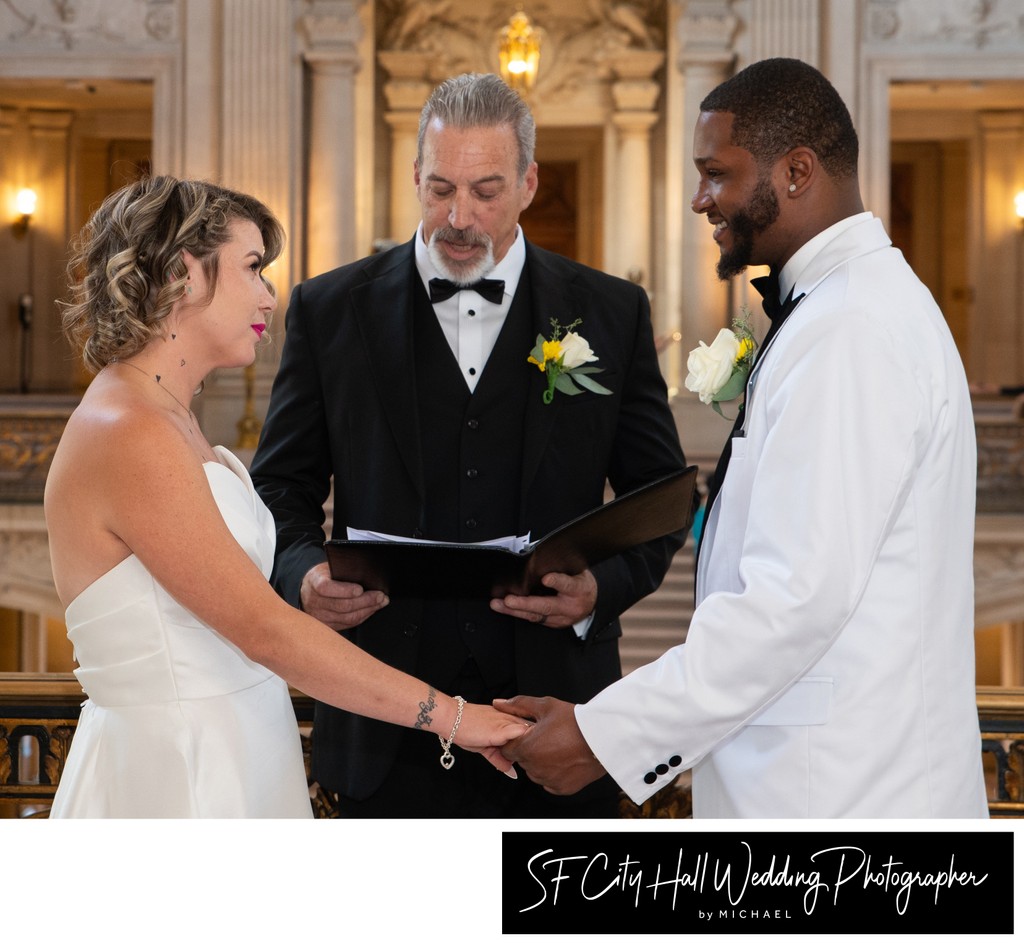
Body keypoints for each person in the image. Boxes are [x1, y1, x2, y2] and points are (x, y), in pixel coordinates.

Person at [497, 58, 989, 818]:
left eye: (716, 173)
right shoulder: (841, 309)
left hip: (847, 805)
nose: (701, 199)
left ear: (797, 171)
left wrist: (604, 736)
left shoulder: (853, 329)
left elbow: (792, 600)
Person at [249, 72, 687, 818]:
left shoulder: (611, 312)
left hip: (555, 726)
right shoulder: (329, 310)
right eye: (440, 187)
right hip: (380, 715)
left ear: (528, 182)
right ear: (416, 176)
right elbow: (278, 488)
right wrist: (304, 574)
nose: (458, 216)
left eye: (485, 191)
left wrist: (598, 593)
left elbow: (662, 497)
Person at [45, 175, 526, 818]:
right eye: (252, 268)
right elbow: (265, 631)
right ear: (186, 271)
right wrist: (454, 718)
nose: (270, 296)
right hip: (181, 775)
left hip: (238, 747)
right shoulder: (128, 430)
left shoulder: (169, 416)